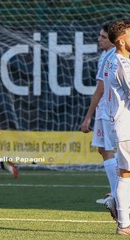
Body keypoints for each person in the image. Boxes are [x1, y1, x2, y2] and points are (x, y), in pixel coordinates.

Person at [81, 22, 118, 204]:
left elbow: (100, 90)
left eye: (103, 36)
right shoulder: (106, 55)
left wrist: (88, 116)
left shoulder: (112, 57)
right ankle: (116, 192)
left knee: (111, 151)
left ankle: (116, 194)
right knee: (103, 149)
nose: (99, 39)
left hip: (108, 111)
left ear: (113, 39)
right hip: (105, 110)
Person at [103, 19, 130, 235]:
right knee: (125, 174)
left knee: (125, 174)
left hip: (120, 125)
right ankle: (124, 222)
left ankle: (122, 217)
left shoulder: (112, 59)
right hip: (127, 126)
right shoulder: (123, 64)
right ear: (121, 41)